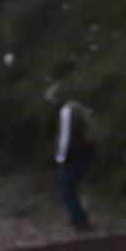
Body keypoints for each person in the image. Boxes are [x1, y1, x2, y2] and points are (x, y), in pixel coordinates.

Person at [46, 81, 94, 231]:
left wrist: (60, 158)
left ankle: (79, 222)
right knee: (73, 189)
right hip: (82, 154)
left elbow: (65, 138)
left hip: (72, 156)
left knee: (67, 190)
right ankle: (81, 219)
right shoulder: (76, 109)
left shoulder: (67, 111)